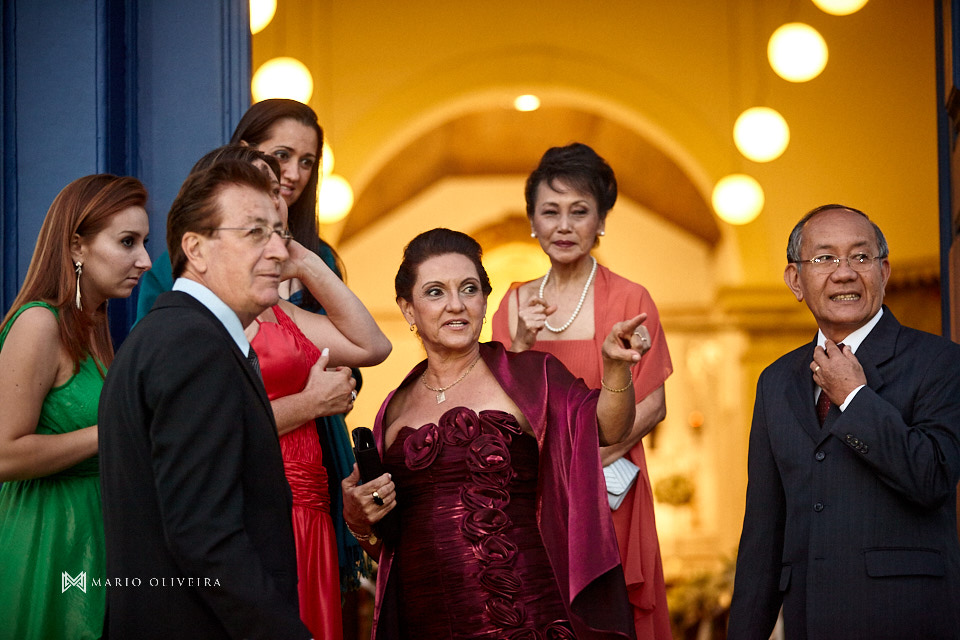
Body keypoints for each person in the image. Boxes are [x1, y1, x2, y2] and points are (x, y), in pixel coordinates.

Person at [342, 227, 646, 639]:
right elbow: (389, 545)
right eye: (435, 292)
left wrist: (615, 368)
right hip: (422, 620)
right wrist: (358, 519)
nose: (456, 305)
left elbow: (609, 428)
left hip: (520, 614)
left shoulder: (531, 375)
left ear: (484, 301)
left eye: (468, 289)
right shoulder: (393, 407)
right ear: (408, 309)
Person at [136, 99, 369, 593]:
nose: (293, 173)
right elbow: (171, 388)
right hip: (236, 469)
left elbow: (356, 349)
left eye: (308, 161)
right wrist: (308, 398)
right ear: (243, 153)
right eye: (281, 155)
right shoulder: (178, 268)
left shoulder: (316, 254)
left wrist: (306, 265)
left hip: (314, 459)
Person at [98, 160, 311, 638]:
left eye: (279, 231)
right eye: (255, 232)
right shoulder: (193, 346)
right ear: (195, 248)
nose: (279, 251)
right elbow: (204, 535)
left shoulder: (171, 334)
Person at [727, 205, 960, 639]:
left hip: (907, 619)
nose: (844, 272)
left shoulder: (940, 362)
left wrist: (855, 398)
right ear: (796, 280)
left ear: (884, 272)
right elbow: (763, 533)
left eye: (860, 257)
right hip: (809, 622)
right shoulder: (775, 381)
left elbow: (933, 477)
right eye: (824, 259)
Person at [491, 142, 673, 638]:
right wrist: (522, 342)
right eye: (550, 212)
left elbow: (653, 405)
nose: (564, 225)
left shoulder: (630, 298)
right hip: (536, 498)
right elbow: (500, 413)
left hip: (609, 491)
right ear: (532, 221)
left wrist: (583, 469)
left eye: (580, 211)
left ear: (600, 222)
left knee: (606, 616)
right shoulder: (513, 302)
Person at [0, 174, 151, 640]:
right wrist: (114, 428)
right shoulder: (39, 323)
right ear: (76, 247)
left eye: (144, 243)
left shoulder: (93, 327)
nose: (144, 260)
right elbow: (4, 455)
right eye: (127, 242)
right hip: (47, 538)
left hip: (94, 535)